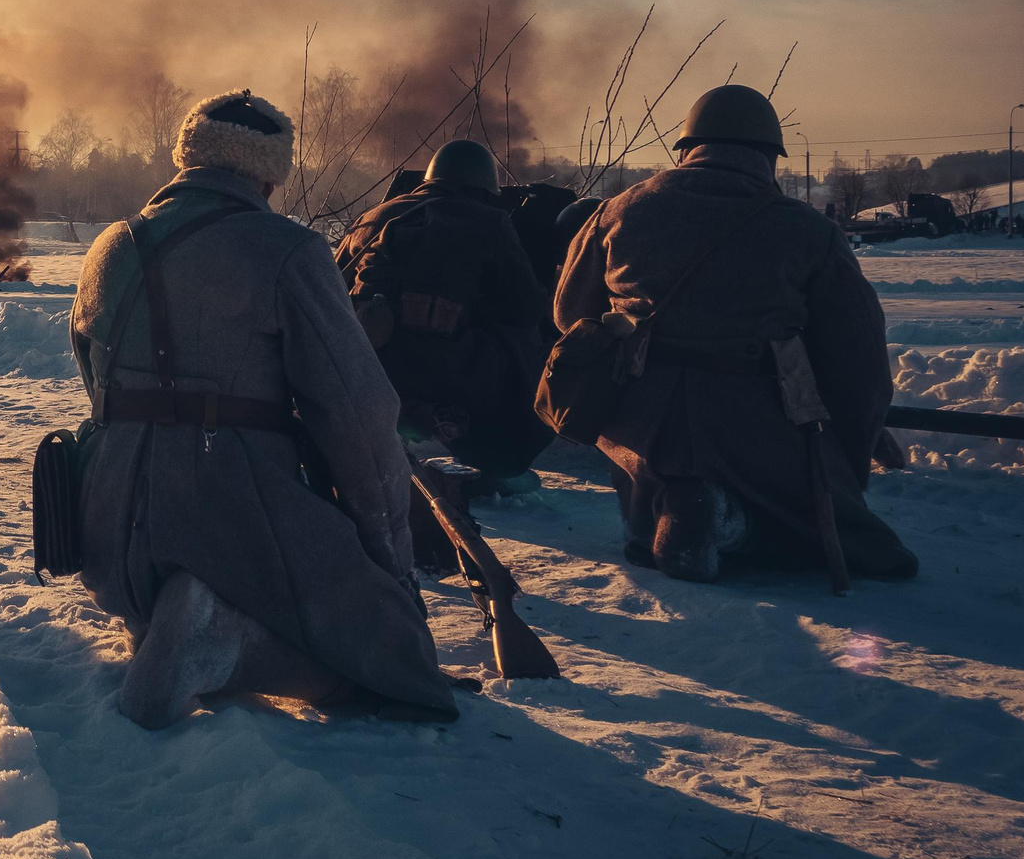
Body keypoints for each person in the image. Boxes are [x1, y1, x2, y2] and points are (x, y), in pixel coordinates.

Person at [70, 90, 456, 729]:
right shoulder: (289, 250)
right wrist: (389, 563)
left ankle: (166, 613)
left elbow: (94, 382)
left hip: (107, 534)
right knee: (396, 659)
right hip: (226, 508)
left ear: (187, 157)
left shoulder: (111, 244)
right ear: (271, 175)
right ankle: (223, 646)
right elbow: (358, 417)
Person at [553, 85, 915, 585]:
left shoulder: (616, 211)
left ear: (686, 147)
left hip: (637, 421)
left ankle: (668, 514)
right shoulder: (807, 229)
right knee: (860, 545)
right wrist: (845, 462)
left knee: (648, 499)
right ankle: (724, 522)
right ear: (769, 156)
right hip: (753, 421)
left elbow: (570, 314)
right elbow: (857, 358)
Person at [335, 139, 552, 498]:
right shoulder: (490, 221)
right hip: (450, 374)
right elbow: (526, 306)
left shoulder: (372, 217)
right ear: (482, 187)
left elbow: (333, 289)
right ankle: (497, 466)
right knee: (530, 344)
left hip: (366, 366)